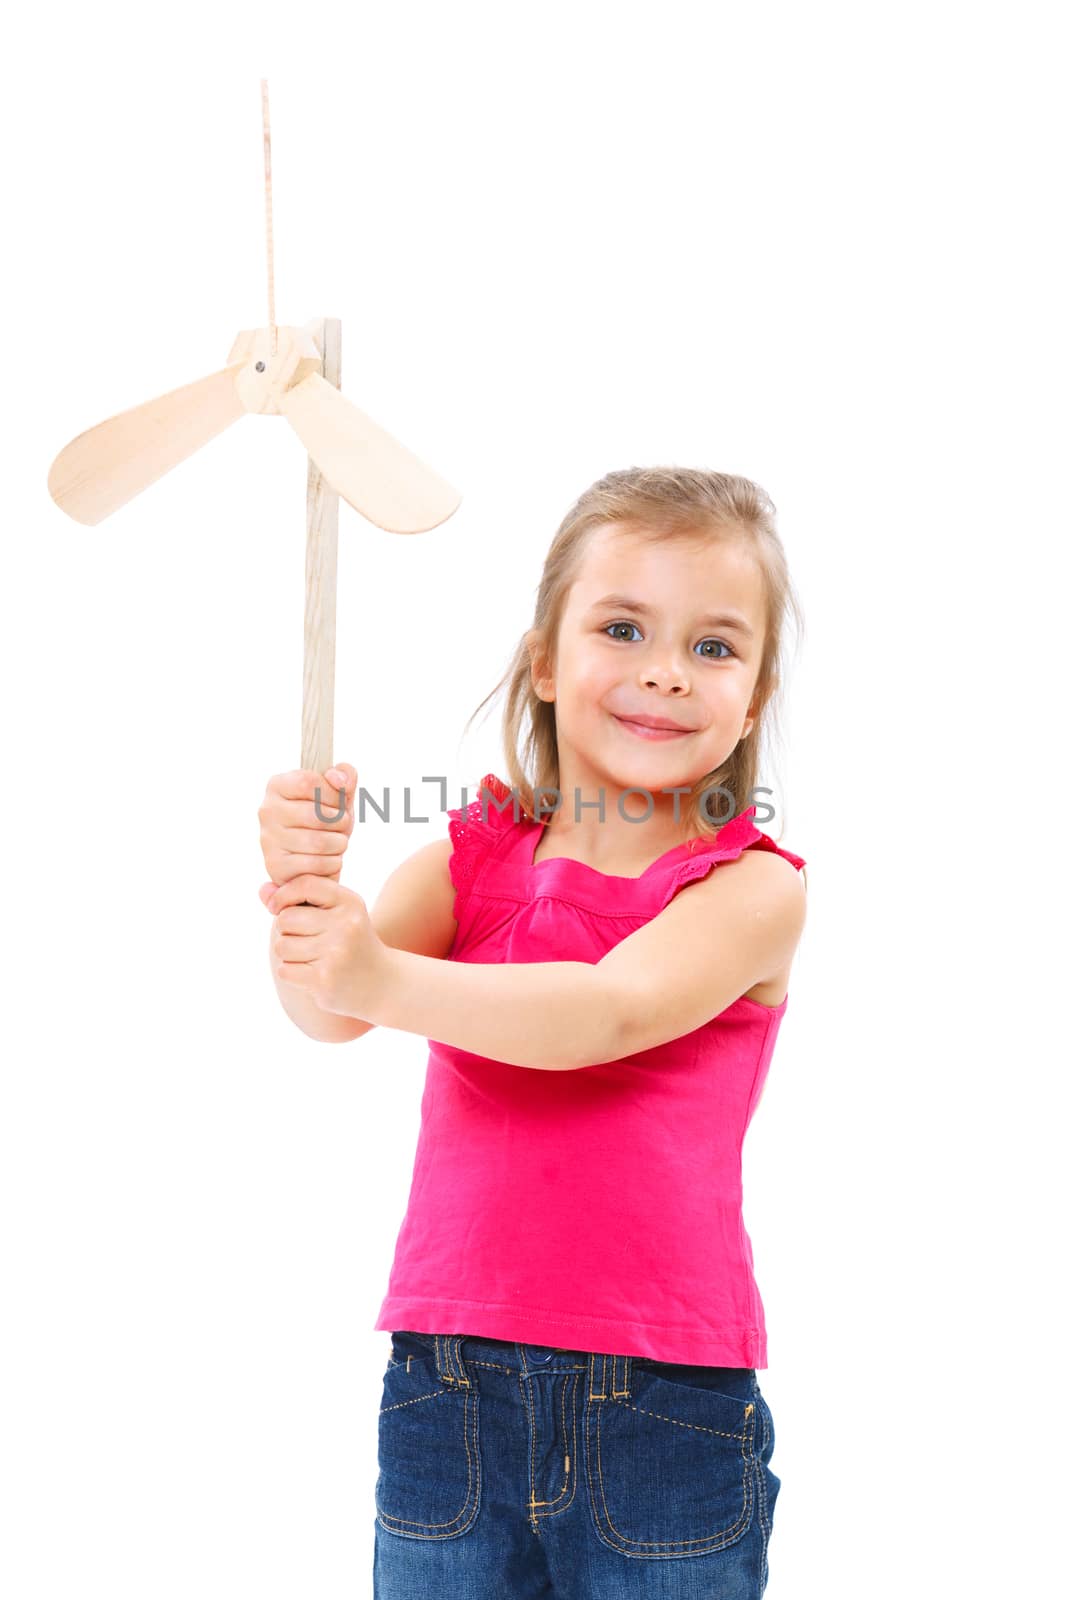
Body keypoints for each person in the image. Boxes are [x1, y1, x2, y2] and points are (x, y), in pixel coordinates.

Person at [257, 466, 809, 1597]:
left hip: (666, 1401)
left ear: (751, 699)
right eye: (623, 627)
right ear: (546, 663)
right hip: (445, 1383)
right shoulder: (477, 855)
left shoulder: (749, 890)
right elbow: (327, 1010)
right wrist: (304, 903)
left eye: (714, 647)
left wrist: (374, 966)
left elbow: (601, 1013)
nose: (664, 669)